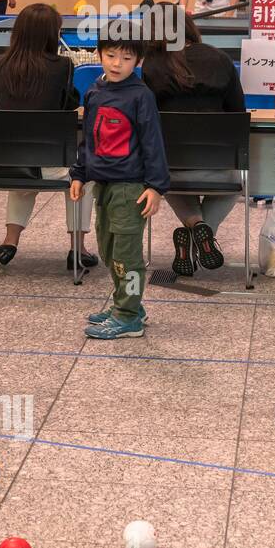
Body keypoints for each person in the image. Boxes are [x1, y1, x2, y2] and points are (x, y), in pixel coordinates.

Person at [0, 3, 96, 270]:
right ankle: (78, 248)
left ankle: (9, 242)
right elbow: (68, 106)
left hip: (2, 165)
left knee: (24, 165)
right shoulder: (62, 66)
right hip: (45, 164)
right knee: (84, 175)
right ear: (51, 34)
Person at [69, 23, 170, 340]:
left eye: (125, 58)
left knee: (127, 254)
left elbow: (153, 143)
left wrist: (156, 186)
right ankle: (127, 305)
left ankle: (128, 317)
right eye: (110, 55)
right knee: (109, 249)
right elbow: (89, 139)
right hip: (104, 186)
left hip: (131, 187)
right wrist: (79, 173)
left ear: (138, 61)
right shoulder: (95, 92)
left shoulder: (141, 96)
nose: (116, 63)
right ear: (99, 54)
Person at [140, 4, 244, 277]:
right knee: (236, 185)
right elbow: (238, 114)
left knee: (165, 177)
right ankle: (203, 232)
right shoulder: (221, 59)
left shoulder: (152, 66)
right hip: (221, 171)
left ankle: (195, 226)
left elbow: (146, 118)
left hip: (172, 171)